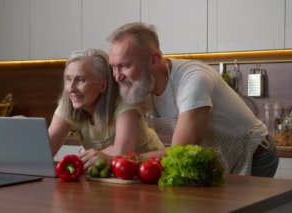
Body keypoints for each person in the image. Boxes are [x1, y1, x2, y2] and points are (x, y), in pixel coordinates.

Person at [106, 22, 279, 177]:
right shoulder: (140, 85)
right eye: (113, 67)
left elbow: (182, 151)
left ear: (154, 60)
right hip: (217, 159)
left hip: (255, 155)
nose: (117, 76)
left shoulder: (193, 79)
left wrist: (124, 161)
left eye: (125, 65)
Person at [48, 48, 163, 170]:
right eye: (68, 79)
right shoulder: (70, 102)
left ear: (102, 86)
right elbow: (47, 149)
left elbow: (122, 151)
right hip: (113, 176)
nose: (71, 88)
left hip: (150, 172)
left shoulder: (124, 102)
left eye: (80, 80)